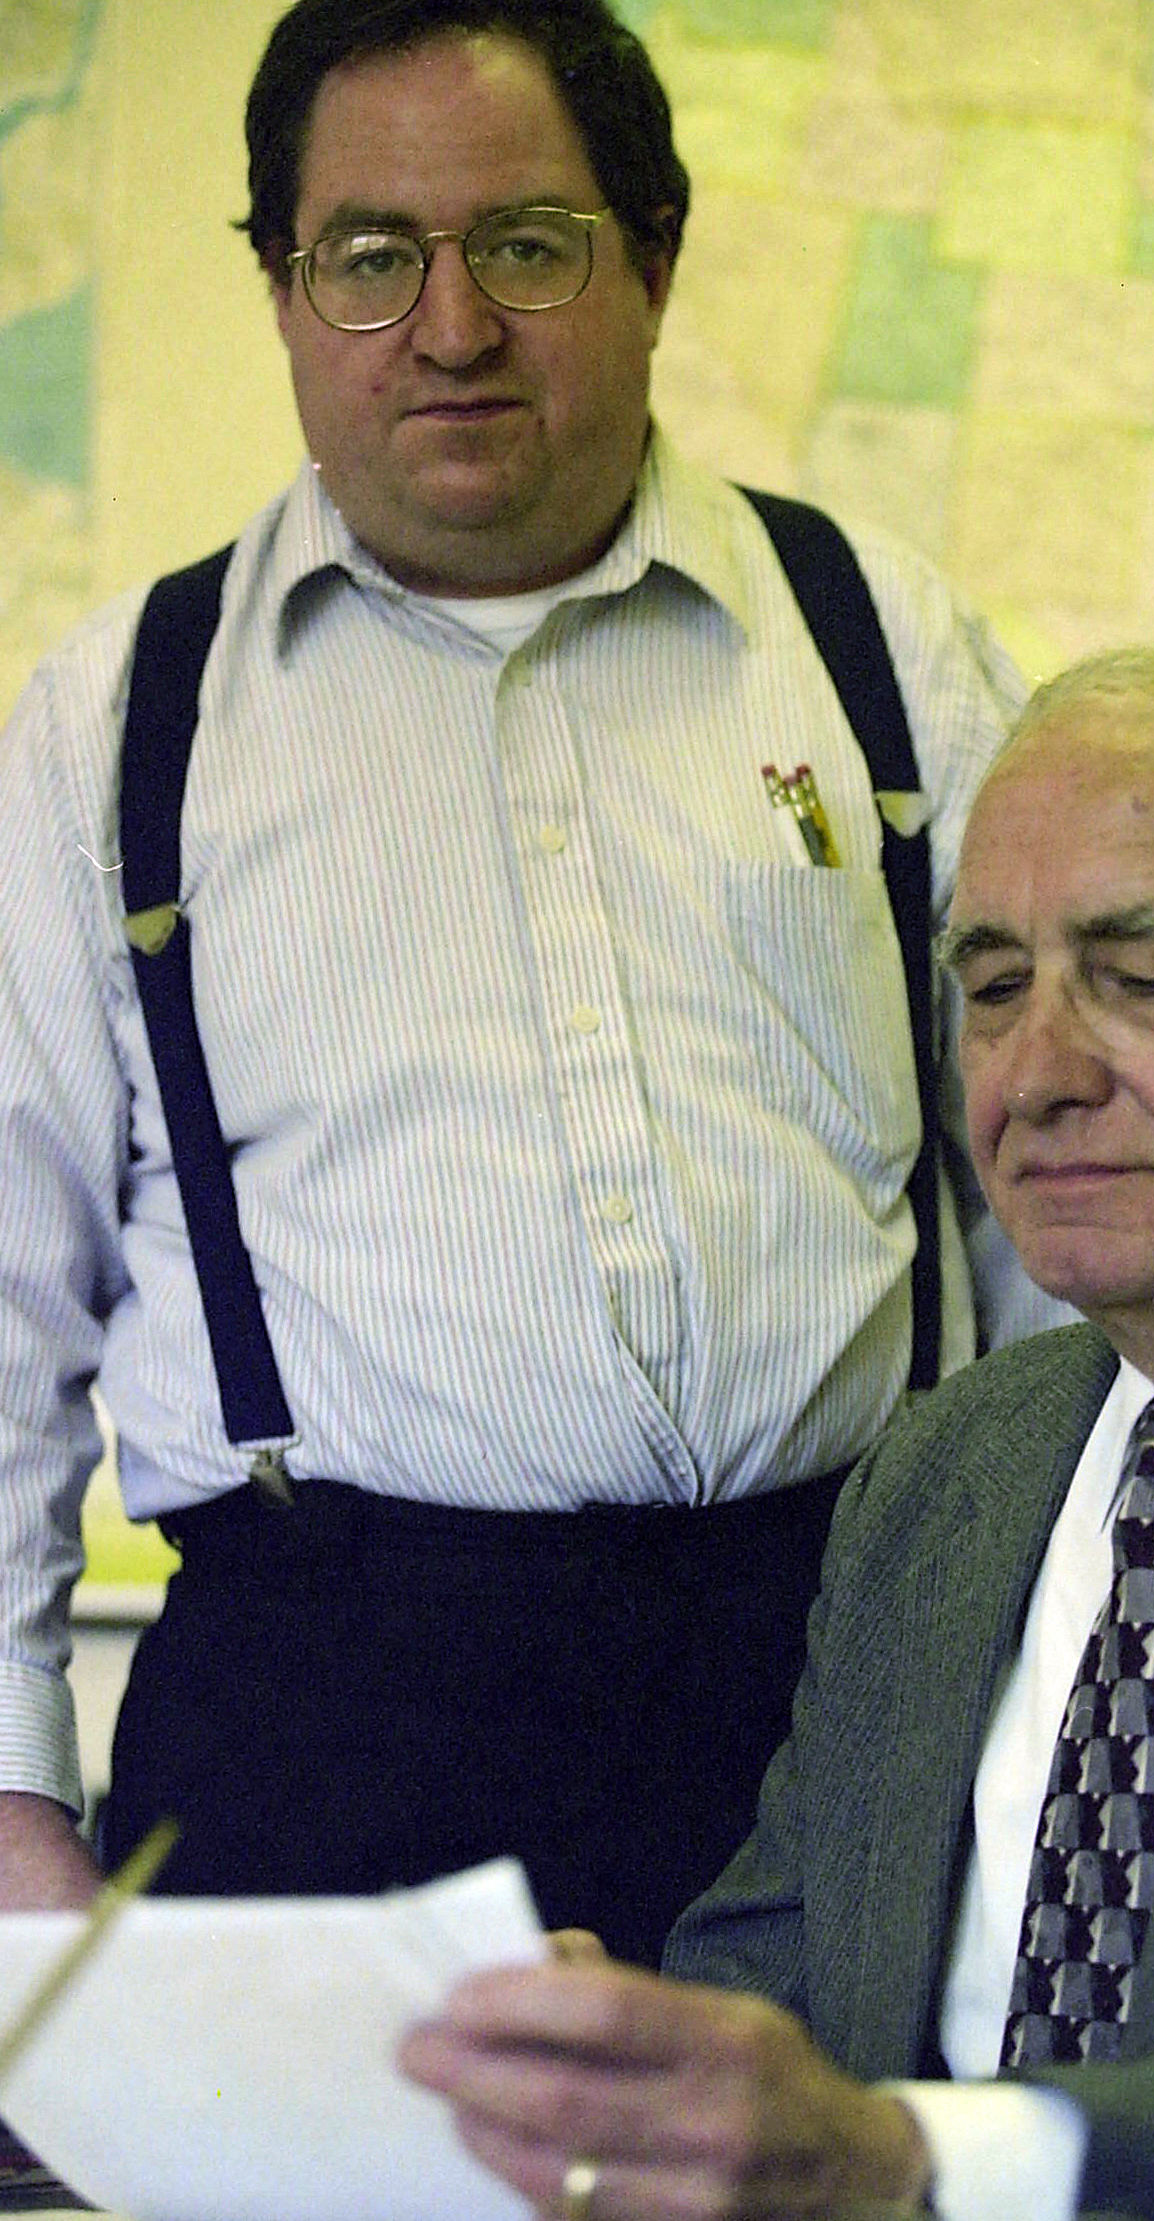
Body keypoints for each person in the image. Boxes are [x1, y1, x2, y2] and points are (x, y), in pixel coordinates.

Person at [0, 0, 1054, 1960]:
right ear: (284, 288)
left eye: (528, 244)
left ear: (656, 254)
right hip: (321, 1726)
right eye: (370, 256)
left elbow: (1041, 1200)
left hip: (848, 1688)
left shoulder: (886, 647)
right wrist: (9, 1809)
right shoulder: (111, 726)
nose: (452, 326)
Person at [396, 642, 1154, 2221]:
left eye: (1143, 978)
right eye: (996, 986)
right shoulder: (950, 1466)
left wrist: (927, 2163)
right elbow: (782, 1997)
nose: (1040, 1074)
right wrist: (633, 2079)